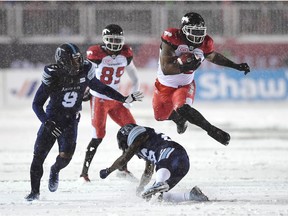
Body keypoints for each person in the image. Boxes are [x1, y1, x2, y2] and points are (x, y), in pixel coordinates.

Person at [25, 43, 143, 201]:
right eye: (73, 60)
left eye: (78, 59)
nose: (78, 63)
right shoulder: (54, 74)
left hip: (71, 120)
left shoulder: (84, 69)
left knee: (65, 158)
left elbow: (102, 87)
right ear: (63, 61)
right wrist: (47, 122)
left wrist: (123, 98)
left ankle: (55, 170)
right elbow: (36, 104)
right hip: (53, 119)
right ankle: (34, 192)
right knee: (38, 156)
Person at [153, 12, 251, 145]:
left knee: (183, 108)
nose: (197, 36)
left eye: (200, 32)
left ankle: (212, 130)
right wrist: (184, 66)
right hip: (163, 84)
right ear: (184, 30)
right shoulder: (172, 37)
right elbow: (166, 68)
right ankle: (180, 120)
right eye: (193, 31)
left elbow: (214, 57)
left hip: (185, 85)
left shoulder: (206, 43)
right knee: (159, 116)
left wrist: (235, 65)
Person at [79, 24, 140, 182]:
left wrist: (131, 98)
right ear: (104, 40)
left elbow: (135, 77)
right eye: (111, 40)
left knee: (133, 131)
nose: (115, 43)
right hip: (99, 99)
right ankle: (83, 173)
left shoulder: (125, 53)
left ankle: (123, 167)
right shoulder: (96, 53)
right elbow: (87, 76)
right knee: (98, 136)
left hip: (116, 99)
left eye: (117, 40)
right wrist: (84, 91)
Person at [99, 123, 209, 203]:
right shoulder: (147, 143)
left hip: (171, 152)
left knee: (161, 167)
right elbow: (148, 171)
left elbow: (124, 158)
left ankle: (160, 182)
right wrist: (141, 186)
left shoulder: (140, 137)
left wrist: (108, 170)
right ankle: (191, 195)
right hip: (181, 164)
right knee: (156, 196)